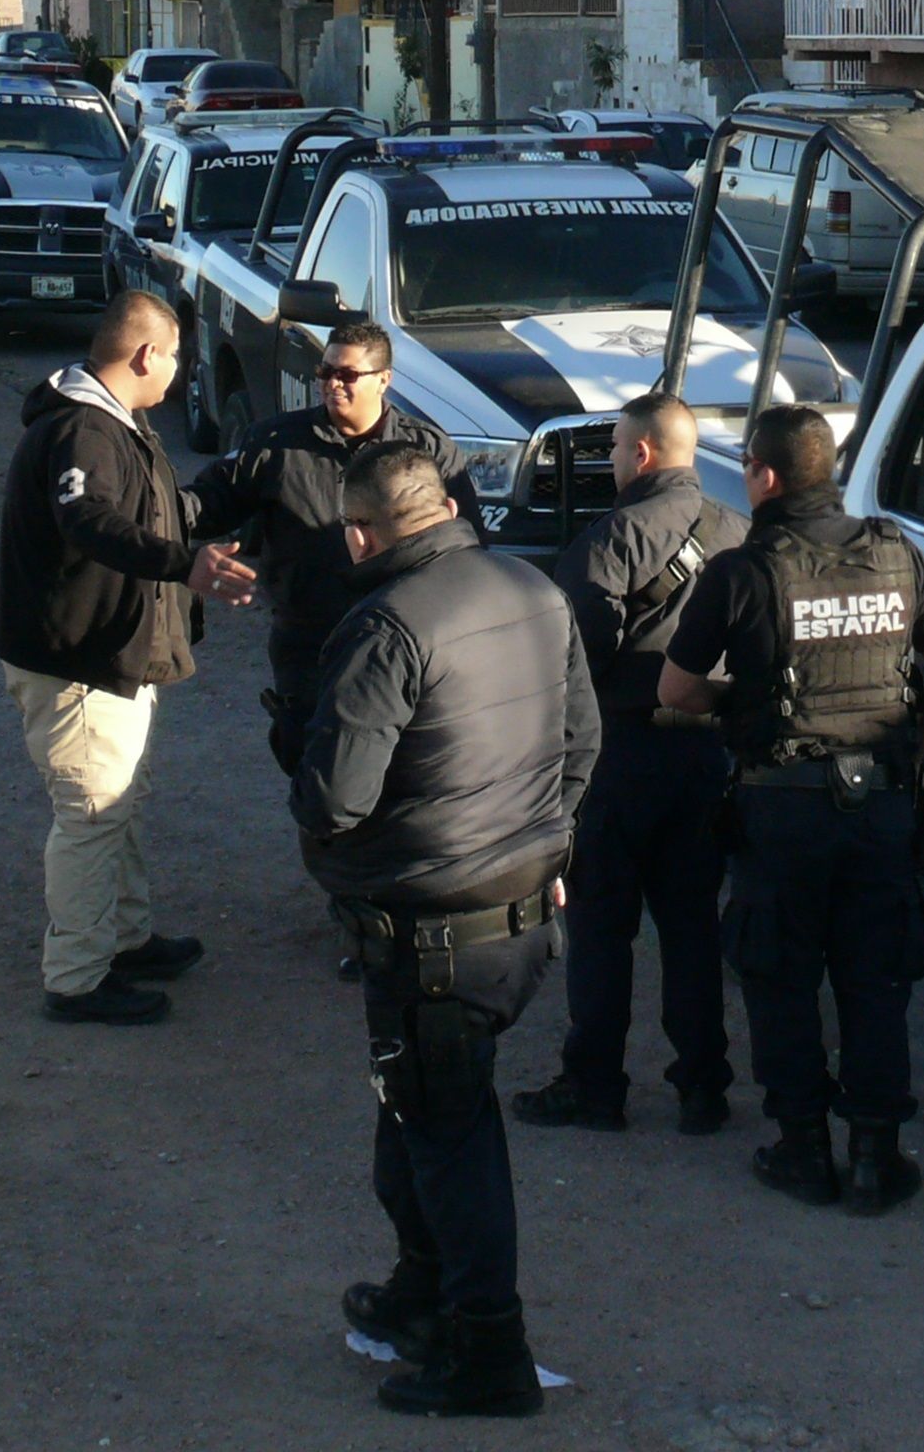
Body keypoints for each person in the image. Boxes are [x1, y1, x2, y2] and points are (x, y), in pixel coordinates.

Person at [303, 442, 597, 1419]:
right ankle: (420, 1292)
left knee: (448, 1130)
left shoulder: (386, 626)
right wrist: (543, 842)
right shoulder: (536, 589)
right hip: (518, 919)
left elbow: (335, 799)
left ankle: (488, 1351)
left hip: (431, 932)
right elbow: (581, 743)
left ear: (361, 534)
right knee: (421, 1110)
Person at [658, 404, 924, 1216]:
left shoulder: (741, 571)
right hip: (880, 807)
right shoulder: (898, 553)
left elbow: (677, 690)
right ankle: (874, 1159)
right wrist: (919, 749)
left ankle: (802, 1151)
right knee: (875, 979)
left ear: (763, 475)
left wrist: (743, 707)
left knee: (781, 978)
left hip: (782, 809)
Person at [0, 292, 255, 1023]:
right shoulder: (84, 429)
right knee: (92, 812)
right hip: (77, 665)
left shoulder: (115, 424)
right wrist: (185, 564)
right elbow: (87, 519)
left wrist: (241, 495)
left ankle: (125, 939)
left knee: (120, 803)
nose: (179, 371)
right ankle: (77, 978)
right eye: (175, 356)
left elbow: (155, 508)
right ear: (146, 355)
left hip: (107, 660)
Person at [515, 391, 745, 1137]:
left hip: (618, 758)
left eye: (616, 447)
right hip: (705, 755)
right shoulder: (738, 532)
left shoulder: (610, 541)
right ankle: (703, 1088)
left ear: (641, 454)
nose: (613, 459)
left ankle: (595, 1087)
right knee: (691, 927)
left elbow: (568, 662)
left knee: (602, 928)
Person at [185, 320, 480, 776]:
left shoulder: (425, 450)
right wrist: (149, 512)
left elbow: (466, 548)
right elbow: (208, 504)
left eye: (347, 374)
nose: (332, 384)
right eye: (325, 372)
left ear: (383, 379)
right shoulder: (277, 444)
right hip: (309, 649)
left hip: (404, 643)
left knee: (403, 771)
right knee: (316, 773)